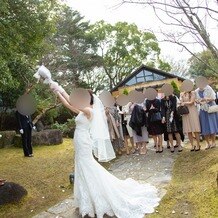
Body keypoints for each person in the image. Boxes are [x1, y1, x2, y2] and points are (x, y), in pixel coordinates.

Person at [50, 84, 160, 218]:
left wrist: (60, 88)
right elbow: (68, 105)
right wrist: (58, 92)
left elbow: (72, 101)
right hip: (79, 140)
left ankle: (98, 195)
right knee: (82, 166)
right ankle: (88, 198)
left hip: (84, 141)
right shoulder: (83, 110)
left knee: (88, 166)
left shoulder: (89, 111)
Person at [195, 85, 218, 149]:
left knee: (212, 125)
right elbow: (196, 100)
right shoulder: (196, 91)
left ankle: (213, 142)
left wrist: (206, 99)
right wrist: (198, 101)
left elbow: (214, 98)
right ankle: (207, 143)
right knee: (204, 126)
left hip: (210, 109)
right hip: (202, 110)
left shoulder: (209, 88)